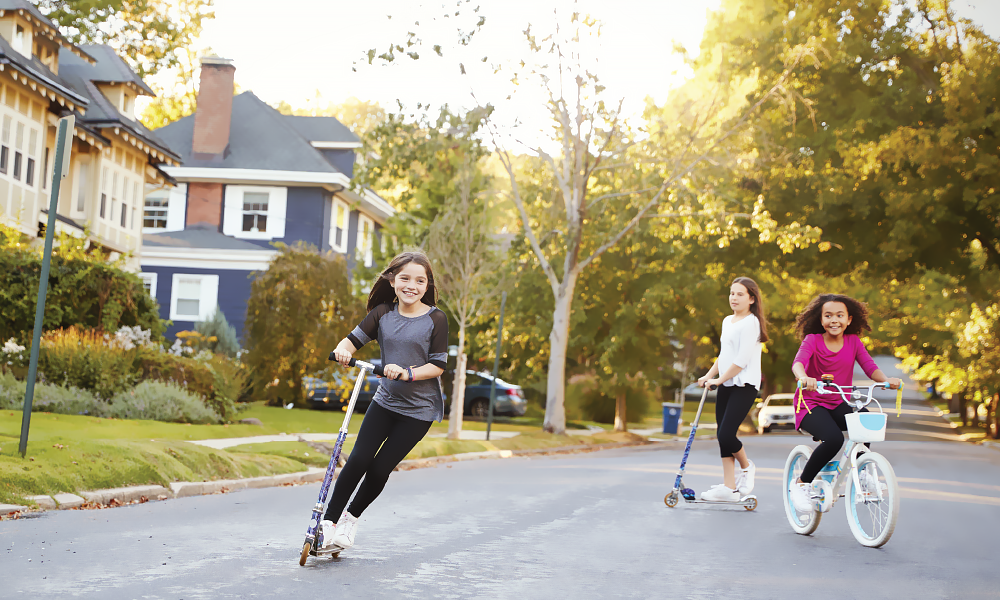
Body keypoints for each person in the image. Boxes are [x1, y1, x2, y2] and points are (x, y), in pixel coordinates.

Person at [320, 251, 448, 551]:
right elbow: (352, 340)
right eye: (405, 278)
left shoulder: (436, 319)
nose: (411, 286)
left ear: (427, 285)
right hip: (386, 401)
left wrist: (407, 373)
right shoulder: (382, 313)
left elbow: (438, 365)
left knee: (379, 469)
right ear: (392, 280)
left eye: (419, 281)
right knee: (359, 460)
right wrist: (343, 350)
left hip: (419, 411)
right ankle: (327, 525)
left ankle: (350, 522)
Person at [787, 294, 901, 512]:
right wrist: (804, 378)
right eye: (828, 316)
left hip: (837, 402)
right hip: (810, 403)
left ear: (849, 320)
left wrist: (886, 381)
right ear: (821, 320)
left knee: (865, 419)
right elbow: (798, 363)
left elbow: (870, 367)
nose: (834, 320)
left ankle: (864, 472)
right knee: (834, 439)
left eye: (840, 315)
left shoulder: (853, 342)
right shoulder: (813, 340)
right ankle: (801, 484)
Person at [696, 276, 768, 501]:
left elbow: (742, 360)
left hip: (744, 385)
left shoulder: (752, 323)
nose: (734, 298)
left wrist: (719, 380)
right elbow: (724, 355)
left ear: (752, 299)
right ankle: (729, 488)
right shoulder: (728, 321)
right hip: (726, 383)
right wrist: (710, 375)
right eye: (732, 293)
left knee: (727, 433)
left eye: (739, 294)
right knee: (721, 435)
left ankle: (747, 467)